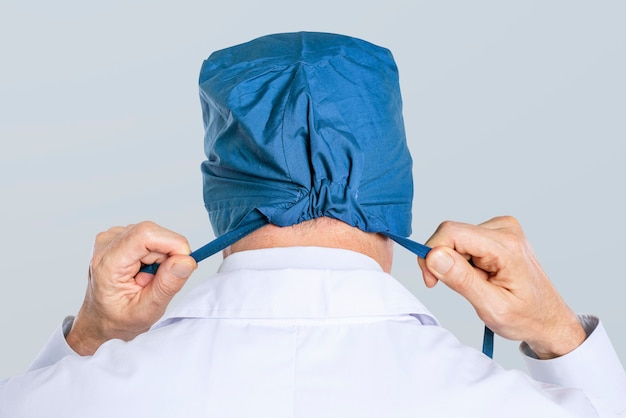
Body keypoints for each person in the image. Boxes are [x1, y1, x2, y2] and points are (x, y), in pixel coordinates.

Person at [1, 32, 624, 417]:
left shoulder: (60, 404)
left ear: (223, 186)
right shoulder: (519, 408)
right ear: (393, 184)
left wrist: (88, 338)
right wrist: (556, 331)